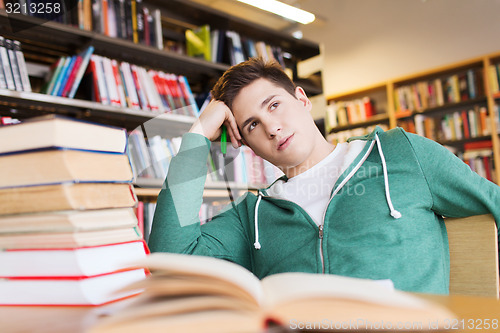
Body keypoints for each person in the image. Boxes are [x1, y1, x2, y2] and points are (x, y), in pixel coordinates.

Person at [148, 57, 500, 294]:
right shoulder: (252, 215)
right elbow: (171, 262)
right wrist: (197, 136)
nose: (271, 127)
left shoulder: (400, 152)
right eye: (252, 124)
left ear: (302, 99)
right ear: (245, 143)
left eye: (274, 104)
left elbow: (493, 203)